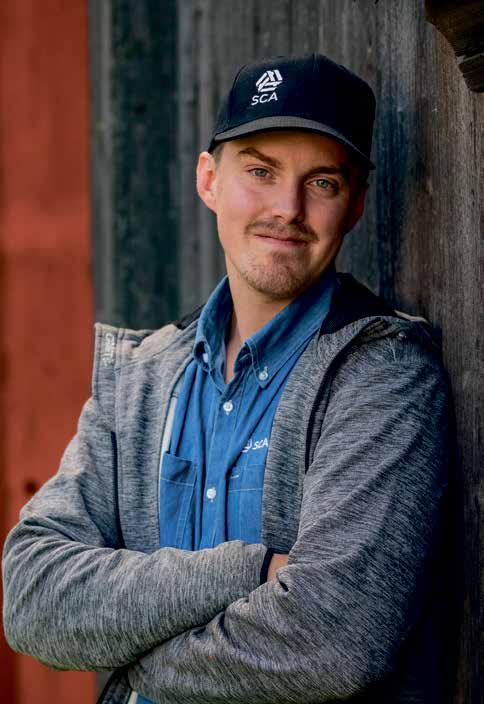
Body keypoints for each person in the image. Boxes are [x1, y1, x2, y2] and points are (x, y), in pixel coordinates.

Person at [2, 54, 452, 704]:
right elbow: (31, 595)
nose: (288, 208)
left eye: (322, 182)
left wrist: (130, 660)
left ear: (354, 204)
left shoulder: (382, 373)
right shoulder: (142, 378)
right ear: (209, 180)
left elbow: (330, 636)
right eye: (261, 172)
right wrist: (251, 571)